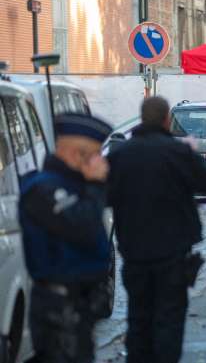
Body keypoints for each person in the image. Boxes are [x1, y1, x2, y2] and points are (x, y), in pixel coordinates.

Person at [107, 96, 206, 363]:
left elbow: (105, 196)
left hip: (135, 252)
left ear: (142, 118)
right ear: (168, 119)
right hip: (173, 252)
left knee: (138, 319)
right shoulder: (177, 152)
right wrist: (191, 153)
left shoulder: (120, 154)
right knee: (169, 320)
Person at [19, 113, 113, 363]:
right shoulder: (44, 188)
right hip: (59, 307)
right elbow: (84, 228)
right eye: (94, 154)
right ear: (75, 153)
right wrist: (95, 185)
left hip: (81, 303)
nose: (100, 161)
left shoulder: (73, 184)